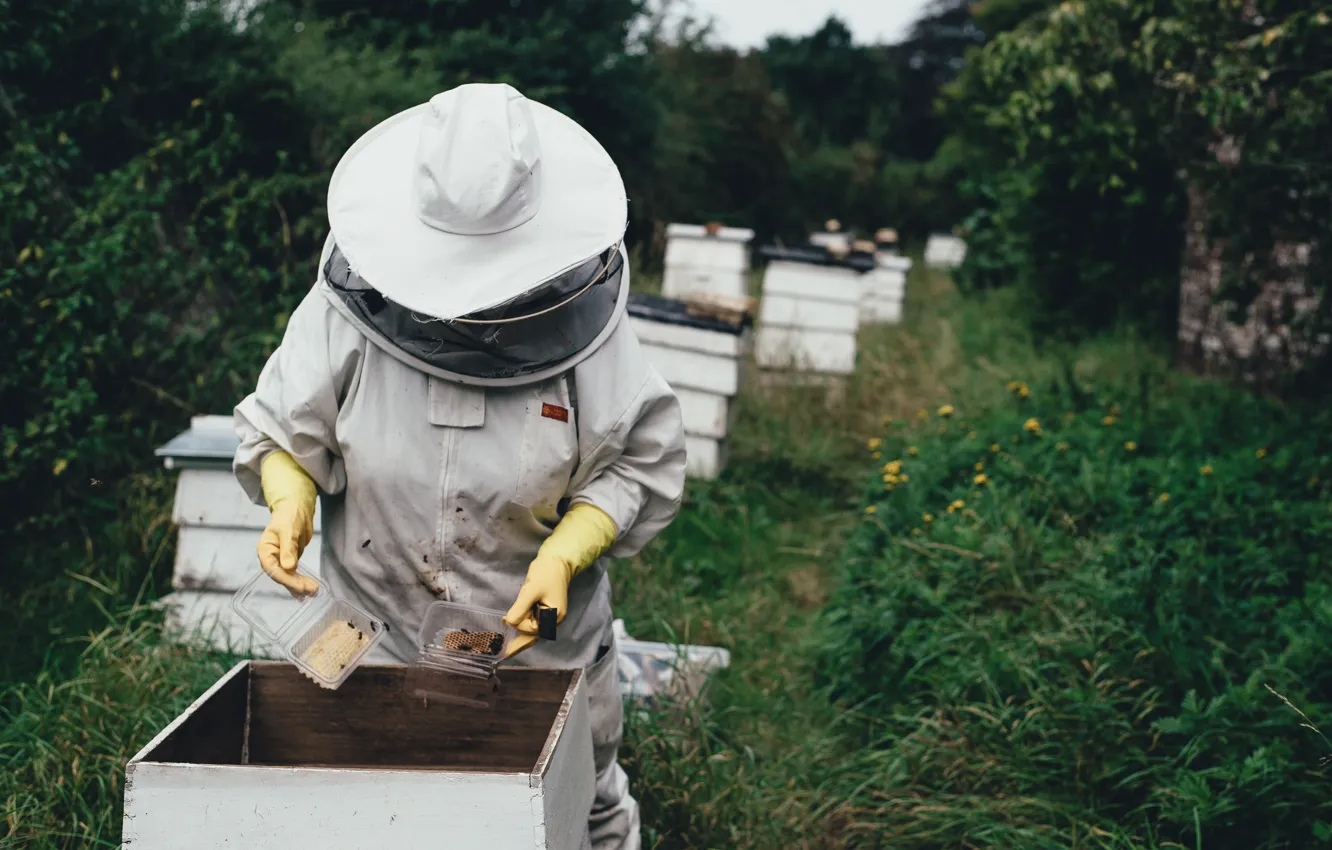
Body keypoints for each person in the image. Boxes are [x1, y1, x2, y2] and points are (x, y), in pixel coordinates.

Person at [231, 82, 687, 850]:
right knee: (388, 817)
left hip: (536, 646)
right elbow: (285, 428)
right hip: (371, 637)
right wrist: (289, 499)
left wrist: (565, 552)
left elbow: (635, 465)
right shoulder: (342, 316)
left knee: (578, 806)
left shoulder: (590, 336)